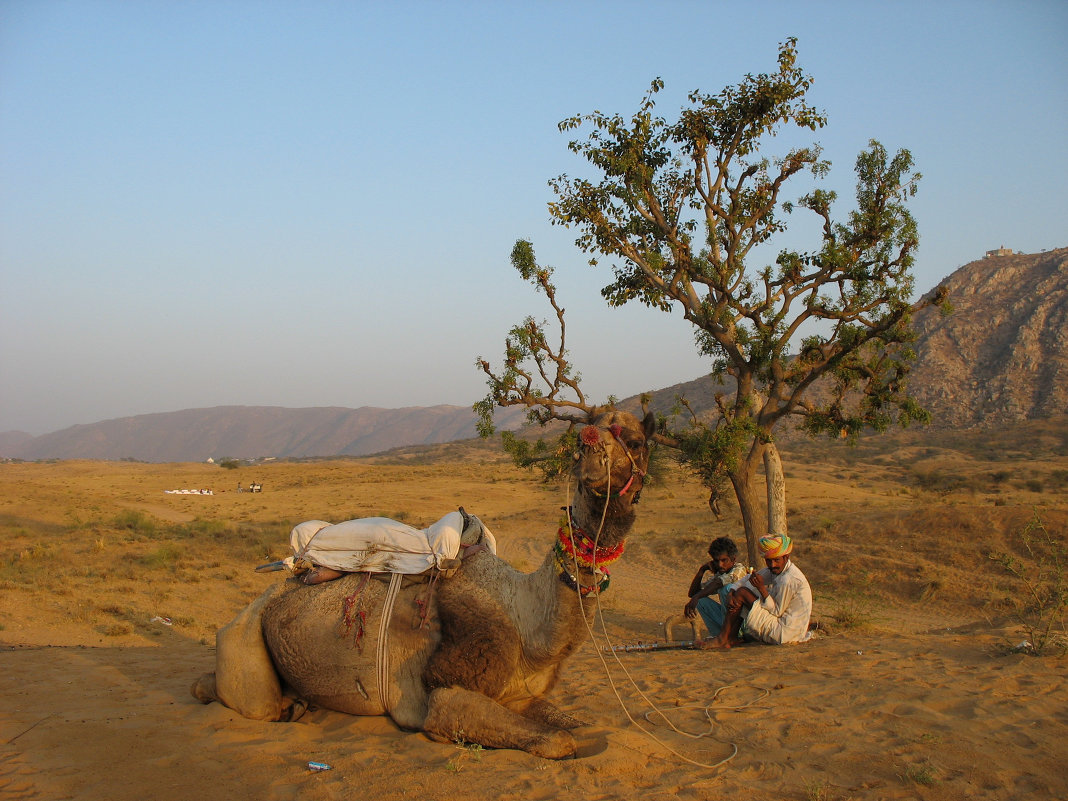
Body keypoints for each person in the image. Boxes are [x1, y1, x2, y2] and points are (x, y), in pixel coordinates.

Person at [697, 533, 812, 649]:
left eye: (776, 560)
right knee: (740, 591)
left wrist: (762, 589)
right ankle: (730, 638)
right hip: (783, 629)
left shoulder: (789, 579)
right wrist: (731, 592)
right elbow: (746, 579)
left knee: (742, 593)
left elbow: (777, 612)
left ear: (786, 558)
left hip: (784, 634)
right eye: (768, 561)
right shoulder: (776, 570)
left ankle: (723, 639)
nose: (772, 565)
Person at [683, 536, 750, 638]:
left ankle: (733, 635)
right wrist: (702, 570)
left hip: (744, 622)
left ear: (733, 559)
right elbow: (693, 593)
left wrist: (696, 596)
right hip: (728, 621)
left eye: (724, 560)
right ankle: (718, 635)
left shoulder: (739, 570)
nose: (720, 565)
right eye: (716, 561)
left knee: (726, 589)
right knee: (701, 599)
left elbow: (719, 583)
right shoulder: (720, 574)